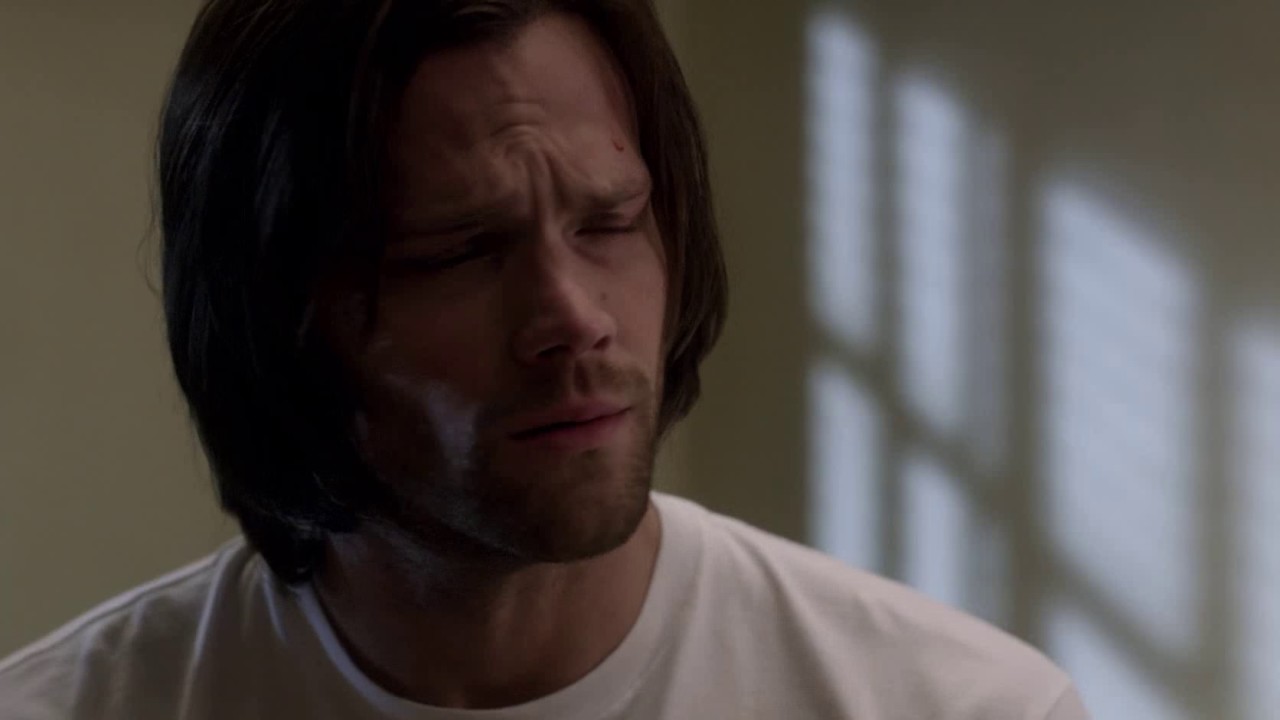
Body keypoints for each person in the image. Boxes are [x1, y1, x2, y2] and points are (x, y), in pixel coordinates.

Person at [0, 1, 1090, 718]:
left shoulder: (956, 705)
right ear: (277, 313)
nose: (573, 316)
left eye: (609, 223)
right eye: (458, 252)